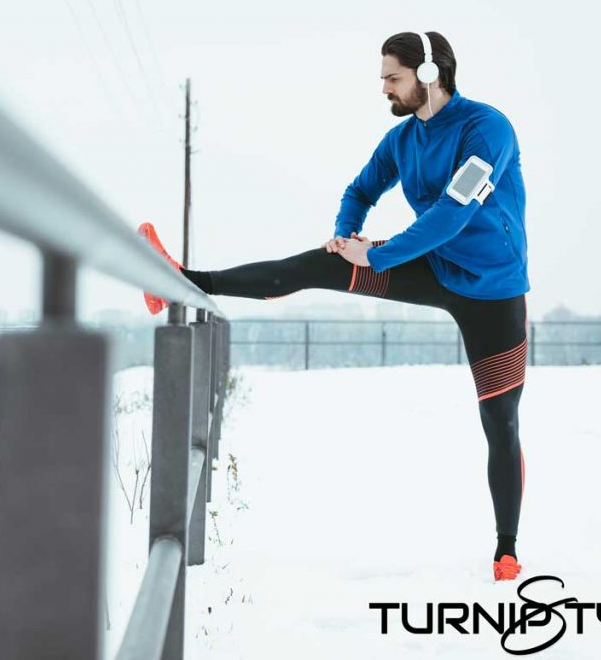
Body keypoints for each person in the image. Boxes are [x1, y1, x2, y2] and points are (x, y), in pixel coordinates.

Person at [140, 31, 529, 582]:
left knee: (500, 419)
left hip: (493, 288)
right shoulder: (401, 140)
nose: (385, 89)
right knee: (314, 265)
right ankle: (182, 276)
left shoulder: (487, 129)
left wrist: (379, 254)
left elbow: (454, 211)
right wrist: (345, 237)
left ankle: (506, 548)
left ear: (427, 75)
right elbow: (360, 190)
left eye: (392, 78)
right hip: (433, 267)